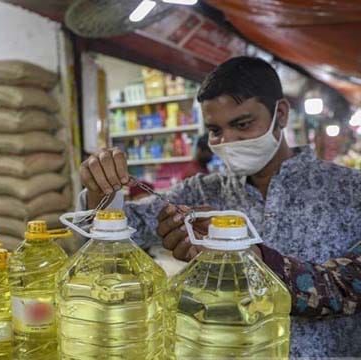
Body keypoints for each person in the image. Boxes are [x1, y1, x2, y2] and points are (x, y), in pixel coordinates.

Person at [78, 57, 361, 357]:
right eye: (215, 130)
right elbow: (110, 232)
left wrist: (247, 258)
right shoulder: (199, 192)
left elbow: (350, 285)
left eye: (242, 124)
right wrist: (100, 188)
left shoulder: (350, 191)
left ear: (280, 114)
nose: (229, 140)